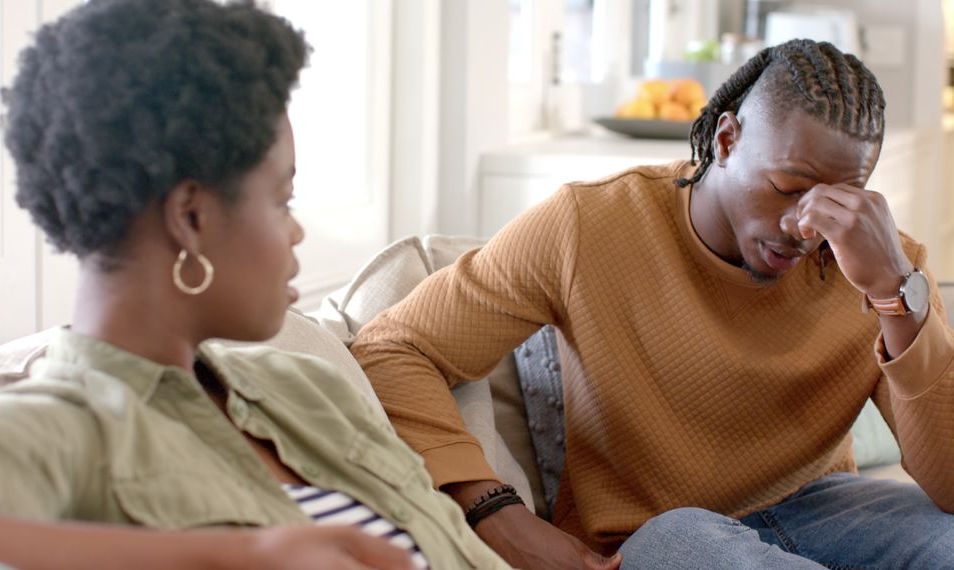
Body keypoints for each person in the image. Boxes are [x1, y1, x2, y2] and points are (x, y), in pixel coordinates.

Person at [0, 1, 510, 568]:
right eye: (281, 200)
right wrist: (228, 555)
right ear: (192, 216)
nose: (296, 232)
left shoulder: (303, 385)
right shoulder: (60, 429)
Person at [351, 38, 954, 569]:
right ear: (726, 139)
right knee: (681, 542)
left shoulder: (884, 265)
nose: (806, 227)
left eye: (842, 200)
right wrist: (494, 512)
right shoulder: (587, 224)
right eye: (787, 188)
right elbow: (394, 348)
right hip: (656, 534)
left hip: (823, 507)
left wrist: (895, 294)